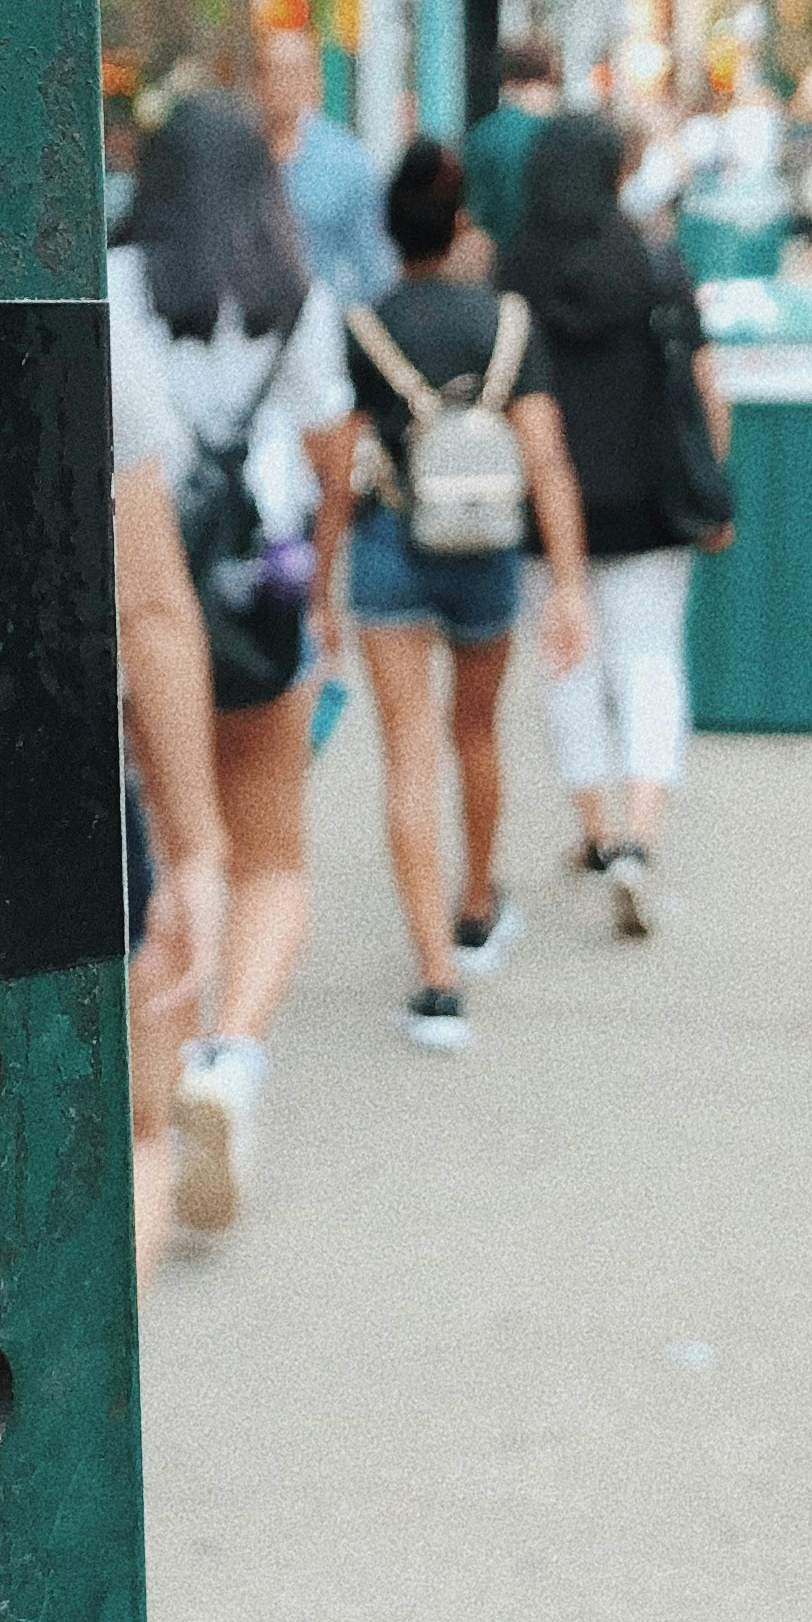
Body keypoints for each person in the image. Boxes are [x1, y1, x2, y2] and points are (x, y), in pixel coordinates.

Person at [110, 90, 355, 1227]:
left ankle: (154, 1111)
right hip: (259, 596)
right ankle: (232, 1059)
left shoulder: (110, 285)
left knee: (166, 854)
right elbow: (331, 449)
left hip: (139, 600)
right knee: (271, 860)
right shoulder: (291, 291)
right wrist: (328, 593)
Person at [342, 135, 590, 1049]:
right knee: (476, 733)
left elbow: (334, 466)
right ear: (459, 226)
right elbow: (546, 459)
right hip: (486, 550)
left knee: (407, 753)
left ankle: (436, 980)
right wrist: (568, 586)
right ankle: (477, 906)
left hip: (390, 548)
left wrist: (317, 588)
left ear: (390, 229)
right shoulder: (507, 324)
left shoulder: (364, 326)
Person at [506, 112, 733, 939]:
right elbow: (705, 383)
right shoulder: (654, 261)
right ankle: (640, 836)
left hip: (548, 509)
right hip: (650, 502)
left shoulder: (514, 271)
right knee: (649, 662)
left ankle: (598, 833)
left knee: (568, 666)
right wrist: (712, 485)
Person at [109, 315, 229, 1287]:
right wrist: (195, 848)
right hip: (43, 797)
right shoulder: (66, 301)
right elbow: (147, 608)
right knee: (130, 1128)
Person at [253, 20, 390, 313]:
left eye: (294, 72)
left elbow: (373, 265)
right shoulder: (236, 158)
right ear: (257, 81)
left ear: (315, 79)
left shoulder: (348, 161)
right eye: (272, 71)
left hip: (322, 324)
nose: (282, 84)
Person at [454, 31, 561, 261]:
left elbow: (470, 210)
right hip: (549, 260)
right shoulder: (557, 136)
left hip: (496, 261)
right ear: (547, 79)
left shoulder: (480, 135)